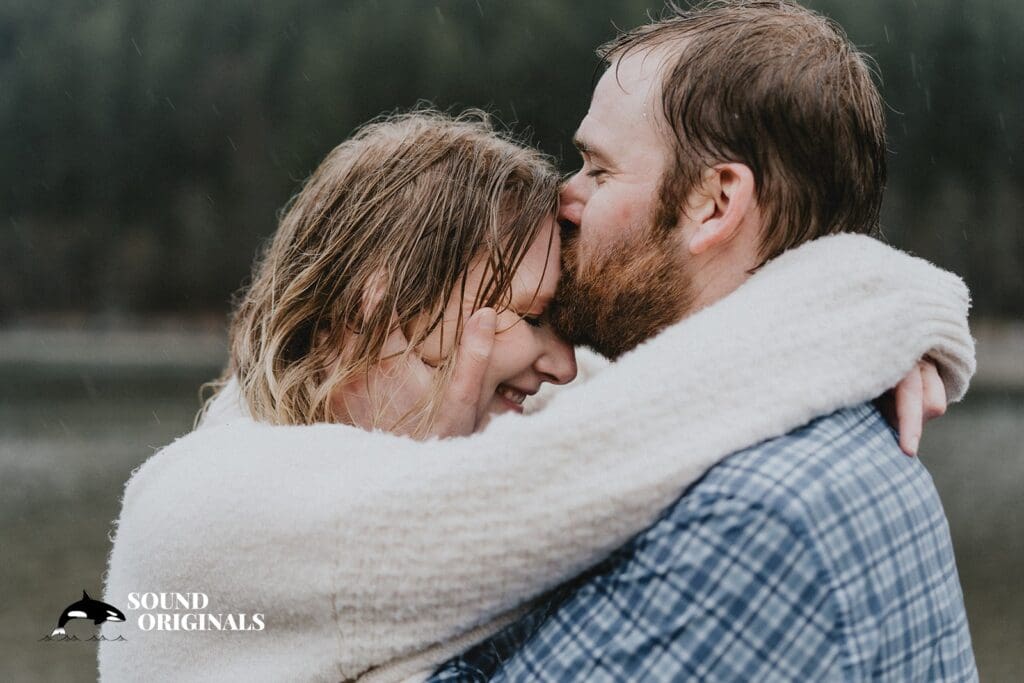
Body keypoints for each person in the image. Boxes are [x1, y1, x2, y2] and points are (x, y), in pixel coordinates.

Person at [99, 64, 974, 683]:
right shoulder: (205, 504)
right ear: (378, 298)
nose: (562, 362)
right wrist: (876, 308)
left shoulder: (478, 429)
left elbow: (643, 403)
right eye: (524, 316)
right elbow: (607, 455)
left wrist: (871, 332)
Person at [428, 1, 978, 680]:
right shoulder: (792, 426)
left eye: (598, 170)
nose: (564, 198)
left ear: (715, 202)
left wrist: (430, 485)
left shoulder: (751, 517)